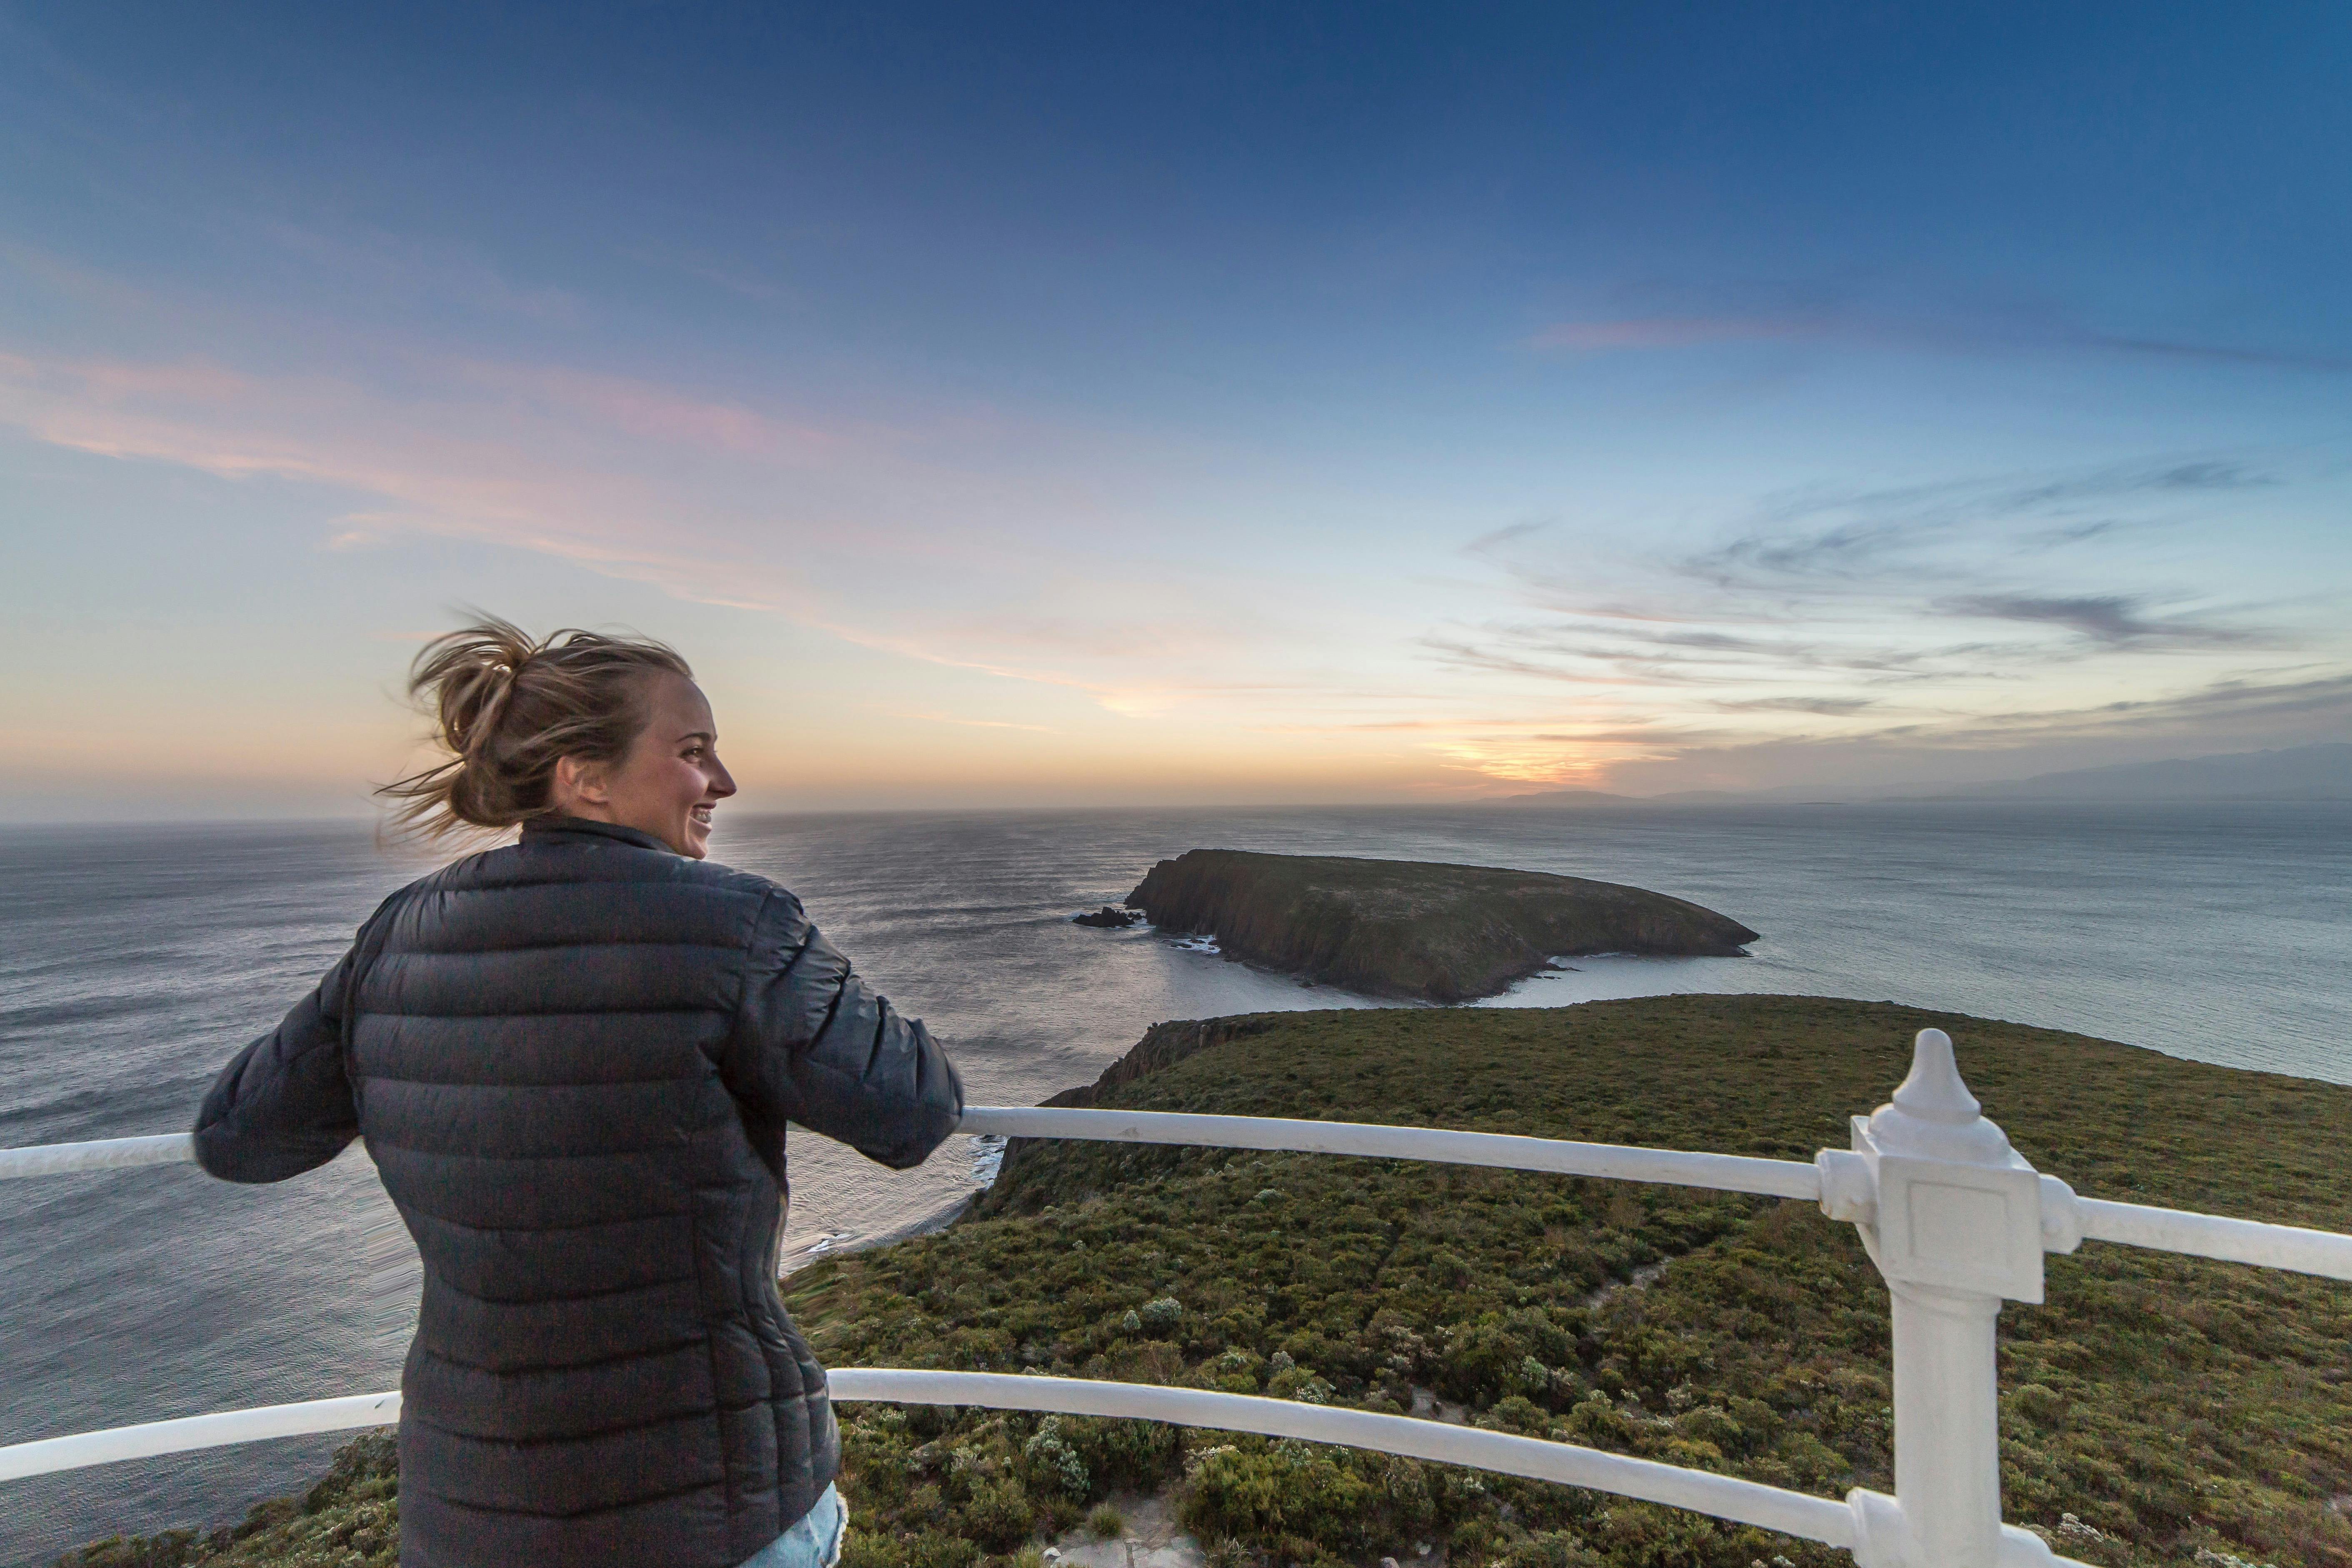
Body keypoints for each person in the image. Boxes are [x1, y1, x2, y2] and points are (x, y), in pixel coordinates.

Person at [192, 617, 961, 1568]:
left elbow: (239, 1135)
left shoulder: (399, 932)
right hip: (710, 1511)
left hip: (472, 1515)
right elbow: (914, 1110)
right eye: (693, 752)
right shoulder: (737, 921)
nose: (723, 782)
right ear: (583, 774)